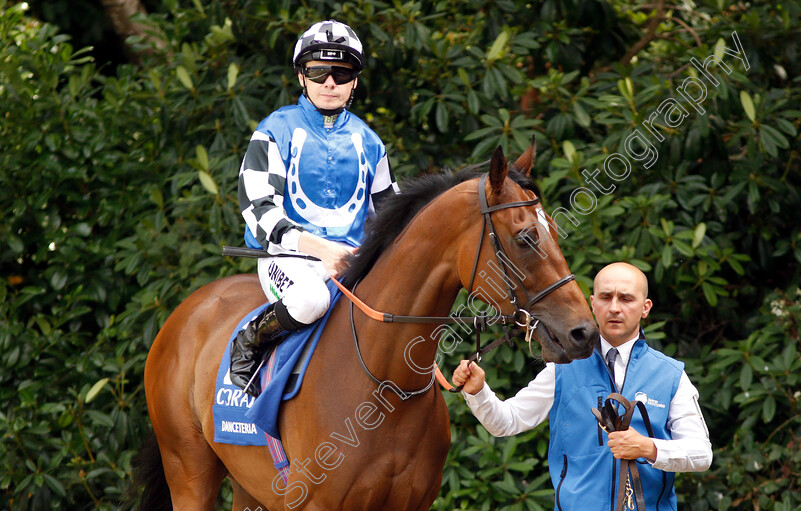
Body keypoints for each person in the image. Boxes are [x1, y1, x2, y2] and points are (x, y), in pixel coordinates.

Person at [452, 262, 711, 511]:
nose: (614, 308)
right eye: (606, 297)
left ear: (646, 308)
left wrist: (648, 448)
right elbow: (506, 421)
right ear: (592, 304)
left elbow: (701, 454)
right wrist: (478, 391)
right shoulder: (563, 367)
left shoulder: (671, 374)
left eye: (626, 299)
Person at [231, 20, 399, 397]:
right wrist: (321, 249)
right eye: (318, 71)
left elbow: (391, 216)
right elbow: (258, 209)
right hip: (288, 259)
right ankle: (251, 340)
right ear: (301, 76)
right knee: (312, 298)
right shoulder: (274, 129)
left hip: (353, 261)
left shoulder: (371, 142)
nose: (330, 83)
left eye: (341, 73)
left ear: (355, 81)